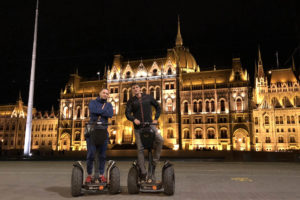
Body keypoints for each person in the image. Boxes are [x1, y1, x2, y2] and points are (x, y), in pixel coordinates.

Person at [125, 83, 163, 181]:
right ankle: (143, 171)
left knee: (160, 140)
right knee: (140, 149)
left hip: (150, 125)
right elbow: (127, 113)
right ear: (132, 91)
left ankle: (154, 163)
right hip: (138, 128)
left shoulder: (148, 97)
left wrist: (156, 119)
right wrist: (133, 119)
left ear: (140, 89)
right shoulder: (131, 101)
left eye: (137, 87)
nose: (135, 89)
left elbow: (158, 107)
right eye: (133, 88)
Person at [85, 88, 113, 183]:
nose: (105, 94)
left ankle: (101, 175)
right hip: (92, 130)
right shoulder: (92, 102)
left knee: (102, 155)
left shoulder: (109, 104)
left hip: (103, 130)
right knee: (90, 154)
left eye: (107, 93)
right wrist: (104, 111)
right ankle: (89, 174)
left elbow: (111, 114)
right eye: (104, 93)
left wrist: (99, 111)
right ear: (100, 93)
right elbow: (92, 110)